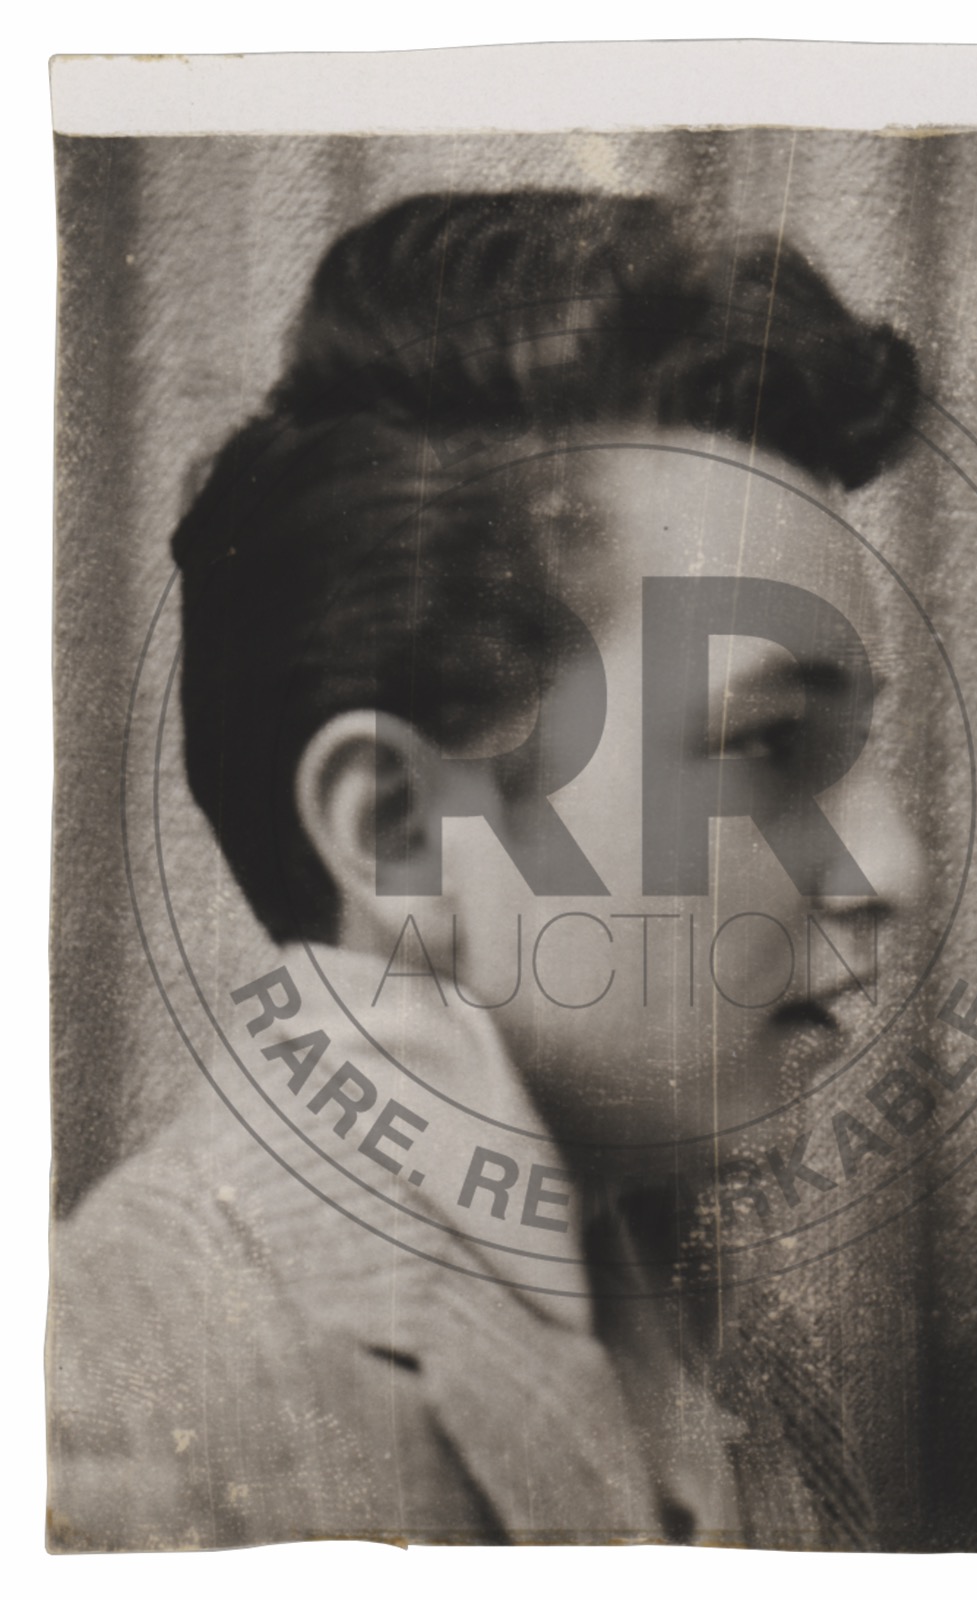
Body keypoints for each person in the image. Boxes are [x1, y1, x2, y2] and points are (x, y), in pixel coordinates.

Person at [47, 190, 922, 1551]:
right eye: (767, 745)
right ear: (401, 832)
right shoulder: (121, 1405)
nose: (894, 868)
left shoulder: (705, 1306)